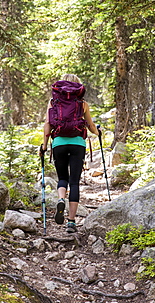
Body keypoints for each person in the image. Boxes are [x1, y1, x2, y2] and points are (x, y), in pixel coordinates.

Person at [41, 73, 99, 233]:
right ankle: (71, 222)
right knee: (74, 182)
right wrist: (98, 133)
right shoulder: (82, 103)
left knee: (62, 178)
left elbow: (47, 125)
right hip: (77, 144)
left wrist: (45, 146)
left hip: (59, 143)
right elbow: (90, 126)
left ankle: (61, 199)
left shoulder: (54, 102)